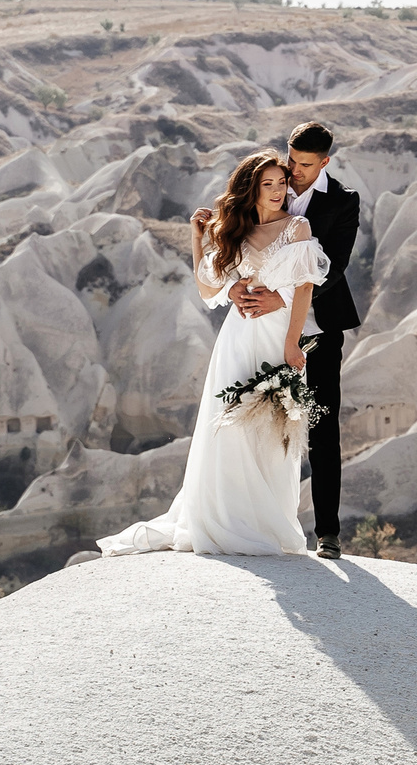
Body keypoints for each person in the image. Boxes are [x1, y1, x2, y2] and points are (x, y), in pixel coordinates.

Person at [97, 152, 328, 557]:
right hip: (238, 338)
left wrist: (293, 341)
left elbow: (305, 286)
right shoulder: (234, 231)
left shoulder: (297, 226)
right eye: (267, 184)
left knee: (274, 429)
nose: (277, 191)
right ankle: (225, 520)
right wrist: (199, 238)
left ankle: (268, 522)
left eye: (281, 183)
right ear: (251, 189)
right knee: (229, 426)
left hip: (277, 337)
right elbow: (208, 291)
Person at [227, 122, 362, 559]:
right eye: (291, 160)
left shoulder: (344, 201)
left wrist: (281, 298)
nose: (295, 171)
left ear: (325, 161)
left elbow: (334, 266)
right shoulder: (270, 187)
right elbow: (234, 247)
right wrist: (232, 287)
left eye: (305, 165)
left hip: (319, 329)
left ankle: (328, 533)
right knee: (254, 422)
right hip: (262, 330)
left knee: (321, 427)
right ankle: (253, 522)